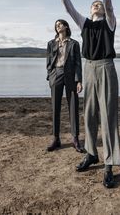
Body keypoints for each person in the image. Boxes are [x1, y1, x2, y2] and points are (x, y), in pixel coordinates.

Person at [53, 0, 120, 188]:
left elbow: (109, 4)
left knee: (108, 116)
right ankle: (91, 154)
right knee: (89, 114)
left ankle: (109, 163)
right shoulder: (84, 24)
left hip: (106, 67)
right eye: (93, 5)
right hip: (89, 68)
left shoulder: (109, 22)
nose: (96, 6)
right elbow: (69, 9)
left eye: (98, 4)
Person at [46, 19, 83, 153]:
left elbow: (78, 63)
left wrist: (79, 80)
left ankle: (75, 139)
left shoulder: (74, 44)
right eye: (56, 25)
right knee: (55, 107)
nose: (58, 26)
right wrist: (50, 75)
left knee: (73, 107)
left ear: (66, 27)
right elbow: (49, 60)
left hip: (70, 76)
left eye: (60, 24)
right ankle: (56, 139)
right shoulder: (51, 43)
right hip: (56, 75)